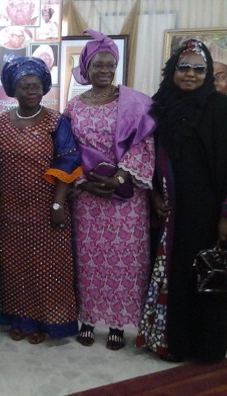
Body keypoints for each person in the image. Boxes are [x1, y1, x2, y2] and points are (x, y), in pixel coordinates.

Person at [64, 30, 156, 351]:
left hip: (125, 197)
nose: (104, 71)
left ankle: (117, 324)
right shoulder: (73, 106)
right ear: (86, 68)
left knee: (123, 259)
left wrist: (118, 178)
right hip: (87, 196)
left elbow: (145, 143)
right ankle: (88, 319)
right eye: (97, 65)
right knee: (88, 259)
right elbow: (67, 148)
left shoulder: (134, 102)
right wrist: (83, 182)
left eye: (109, 65)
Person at [137, 39, 227, 362]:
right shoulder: (160, 105)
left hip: (204, 211)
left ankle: (204, 347)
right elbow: (148, 156)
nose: (190, 75)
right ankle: (172, 343)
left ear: (208, 74)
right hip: (168, 211)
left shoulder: (218, 109)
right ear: (172, 70)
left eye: (199, 69)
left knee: (201, 274)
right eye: (183, 68)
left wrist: (224, 215)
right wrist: (154, 194)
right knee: (172, 274)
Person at [0, 56, 82, 345]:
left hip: (47, 209)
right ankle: (19, 319)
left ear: (44, 88)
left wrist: (58, 205)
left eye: (36, 86)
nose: (31, 91)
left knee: (48, 268)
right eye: (24, 86)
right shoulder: (0, 123)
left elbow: (68, 161)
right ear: (13, 91)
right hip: (9, 211)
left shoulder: (57, 122)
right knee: (15, 267)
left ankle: (46, 322)